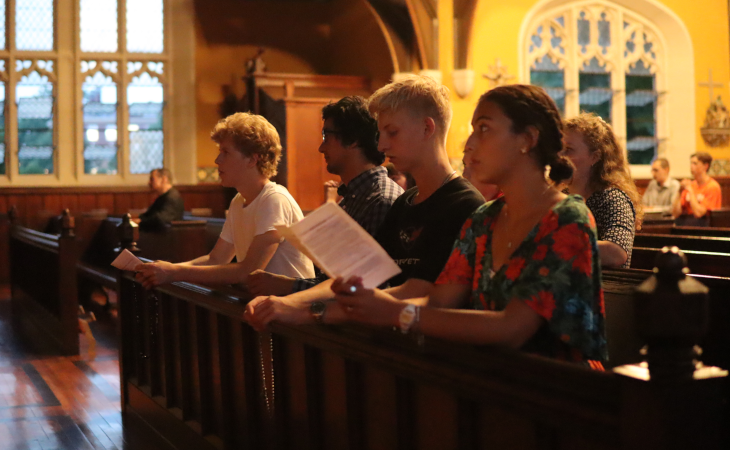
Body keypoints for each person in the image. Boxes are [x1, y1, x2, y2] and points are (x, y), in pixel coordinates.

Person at [329, 85, 606, 366]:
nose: (469, 143)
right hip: (491, 376)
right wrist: (363, 303)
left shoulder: (567, 217)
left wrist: (396, 313)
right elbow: (439, 303)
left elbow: (513, 330)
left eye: (483, 128)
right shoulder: (485, 219)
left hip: (558, 387)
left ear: (527, 139)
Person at [244, 74, 485, 328]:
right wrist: (290, 301)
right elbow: (364, 279)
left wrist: (305, 308)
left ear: (427, 128)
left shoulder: (462, 204)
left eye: (392, 132)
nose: (381, 145)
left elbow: (413, 291)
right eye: (380, 133)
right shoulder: (405, 203)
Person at [246, 96, 404, 296]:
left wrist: (288, 286)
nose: (321, 148)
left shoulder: (380, 199)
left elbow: (363, 288)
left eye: (326, 137)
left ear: (353, 140)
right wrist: (287, 283)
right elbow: (333, 280)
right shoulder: (353, 197)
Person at [135, 112, 314, 288]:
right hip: (265, 305)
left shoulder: (274, 199)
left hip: (295, 308)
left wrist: (173, 273)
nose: (217, 159)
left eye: (225, 152)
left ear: (252, 159)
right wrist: (168, 268)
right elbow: (216, 259)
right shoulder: (239, 201)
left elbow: (248, 271)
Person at [563, 113, 641, 269]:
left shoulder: (612, 198)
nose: (560, 156)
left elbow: (617, 252)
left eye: (569, 150)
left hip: (606, 289)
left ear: (595, 157)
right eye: (560, 149)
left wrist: (558, 246)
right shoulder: (561, 196)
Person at [671, 152, 722, 226]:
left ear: (705, 166)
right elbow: (675, 213)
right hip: (687, 224)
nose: (691, 166)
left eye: (695, 163)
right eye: (691, 163)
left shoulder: (712, 186)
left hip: (705, 226)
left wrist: (691, 191)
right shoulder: (691, 185)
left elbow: (699, 213)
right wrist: (679, 191)